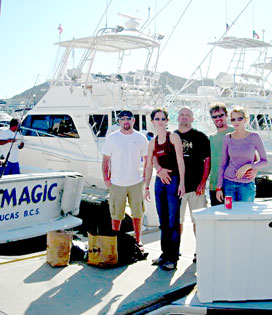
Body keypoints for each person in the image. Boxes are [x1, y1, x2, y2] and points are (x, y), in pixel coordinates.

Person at [155, 107, 210, 263]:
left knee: (197, 223)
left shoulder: (200, 137)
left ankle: (199, 253)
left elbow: (207, 161)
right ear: (176, 118)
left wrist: (203, 182)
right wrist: (159, 170)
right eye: (181, 115)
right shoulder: (170, 136)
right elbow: (156, 156)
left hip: (195, 189)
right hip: (175, 189)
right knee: (175, 223)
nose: (184, 117)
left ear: (192, 119)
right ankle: (173, 252)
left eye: (188, 115)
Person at [144, 108, 185, 271]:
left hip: (174, 181)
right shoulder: (152, 142)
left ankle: (172, 258)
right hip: (160, 182)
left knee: (173, 220)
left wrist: (182, 183)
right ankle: (164, 254)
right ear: (153, 121)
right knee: (163, 221)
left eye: (163, 119)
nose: (160, 121)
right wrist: (146, 185)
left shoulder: (173, 137)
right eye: (157, 119)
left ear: (167, 121)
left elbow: (181, 161)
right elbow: (148, 165)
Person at [102, 110, 148, 249]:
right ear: (119, 122)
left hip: (136, 182)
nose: (126, 121)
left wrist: (145, 176)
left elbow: (146, 159)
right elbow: (105, 160)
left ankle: (139, 240)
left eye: (129, 118)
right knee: (116, 214)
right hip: (116, 183)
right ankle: (115, 241)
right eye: (122, 119)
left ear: (133, 121)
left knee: (137, 214)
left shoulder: (141, 138)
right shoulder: (112, 138)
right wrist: (106, 179)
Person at [216, 106, 268, 202]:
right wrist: (218, 188)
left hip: (247, 185)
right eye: (233, 119)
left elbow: (265, 161)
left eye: (240, 118)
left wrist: (249, 166)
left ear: (245, 119)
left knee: (246, 215)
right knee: (230, 214)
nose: (236, 122)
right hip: (229, 183)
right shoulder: (228, 138)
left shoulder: (254, 137)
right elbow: (223, 164)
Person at [209, 102, 234, 206]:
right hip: (214, 185)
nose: (218, 118)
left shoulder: (235, 133)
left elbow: (253, 157)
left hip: (232, 184)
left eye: (221, 115)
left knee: (232, 217)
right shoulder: (211, 138)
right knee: (218, 219)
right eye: (214, 116)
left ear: (226, 115)